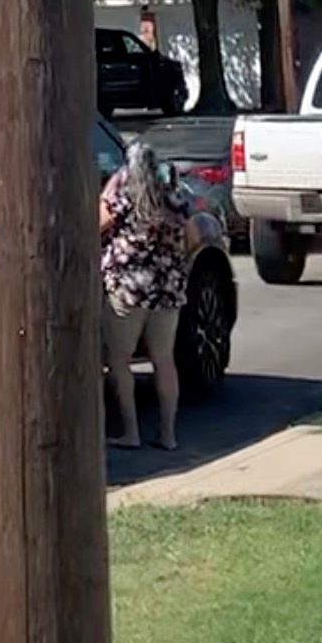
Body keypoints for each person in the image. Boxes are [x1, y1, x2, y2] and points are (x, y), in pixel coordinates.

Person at [100, 135, 194, 452]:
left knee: (120, 359)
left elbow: (98, 224)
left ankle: (130, 431)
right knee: (163, 359)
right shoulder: (176, 197)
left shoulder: (123, 195)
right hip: (167, 287)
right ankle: (168, 434)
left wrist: (106, 193)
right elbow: (192, 236)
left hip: (128, 287)